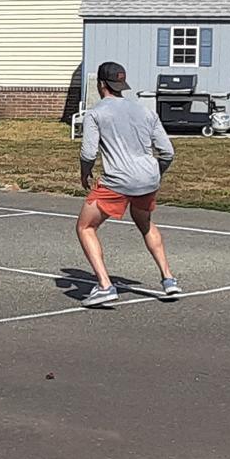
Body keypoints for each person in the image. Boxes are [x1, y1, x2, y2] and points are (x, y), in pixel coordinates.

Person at [75, 61, 179, 306]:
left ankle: (104, 286)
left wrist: (85, 174)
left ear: (101, 84)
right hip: (148, 179)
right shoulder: (146, 112)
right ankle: (168, 279)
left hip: (118, 180)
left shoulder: (96, 113)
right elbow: (167, 152)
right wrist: (155, 174)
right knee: (145, 223)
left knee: (85, 227)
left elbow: (88, 153)